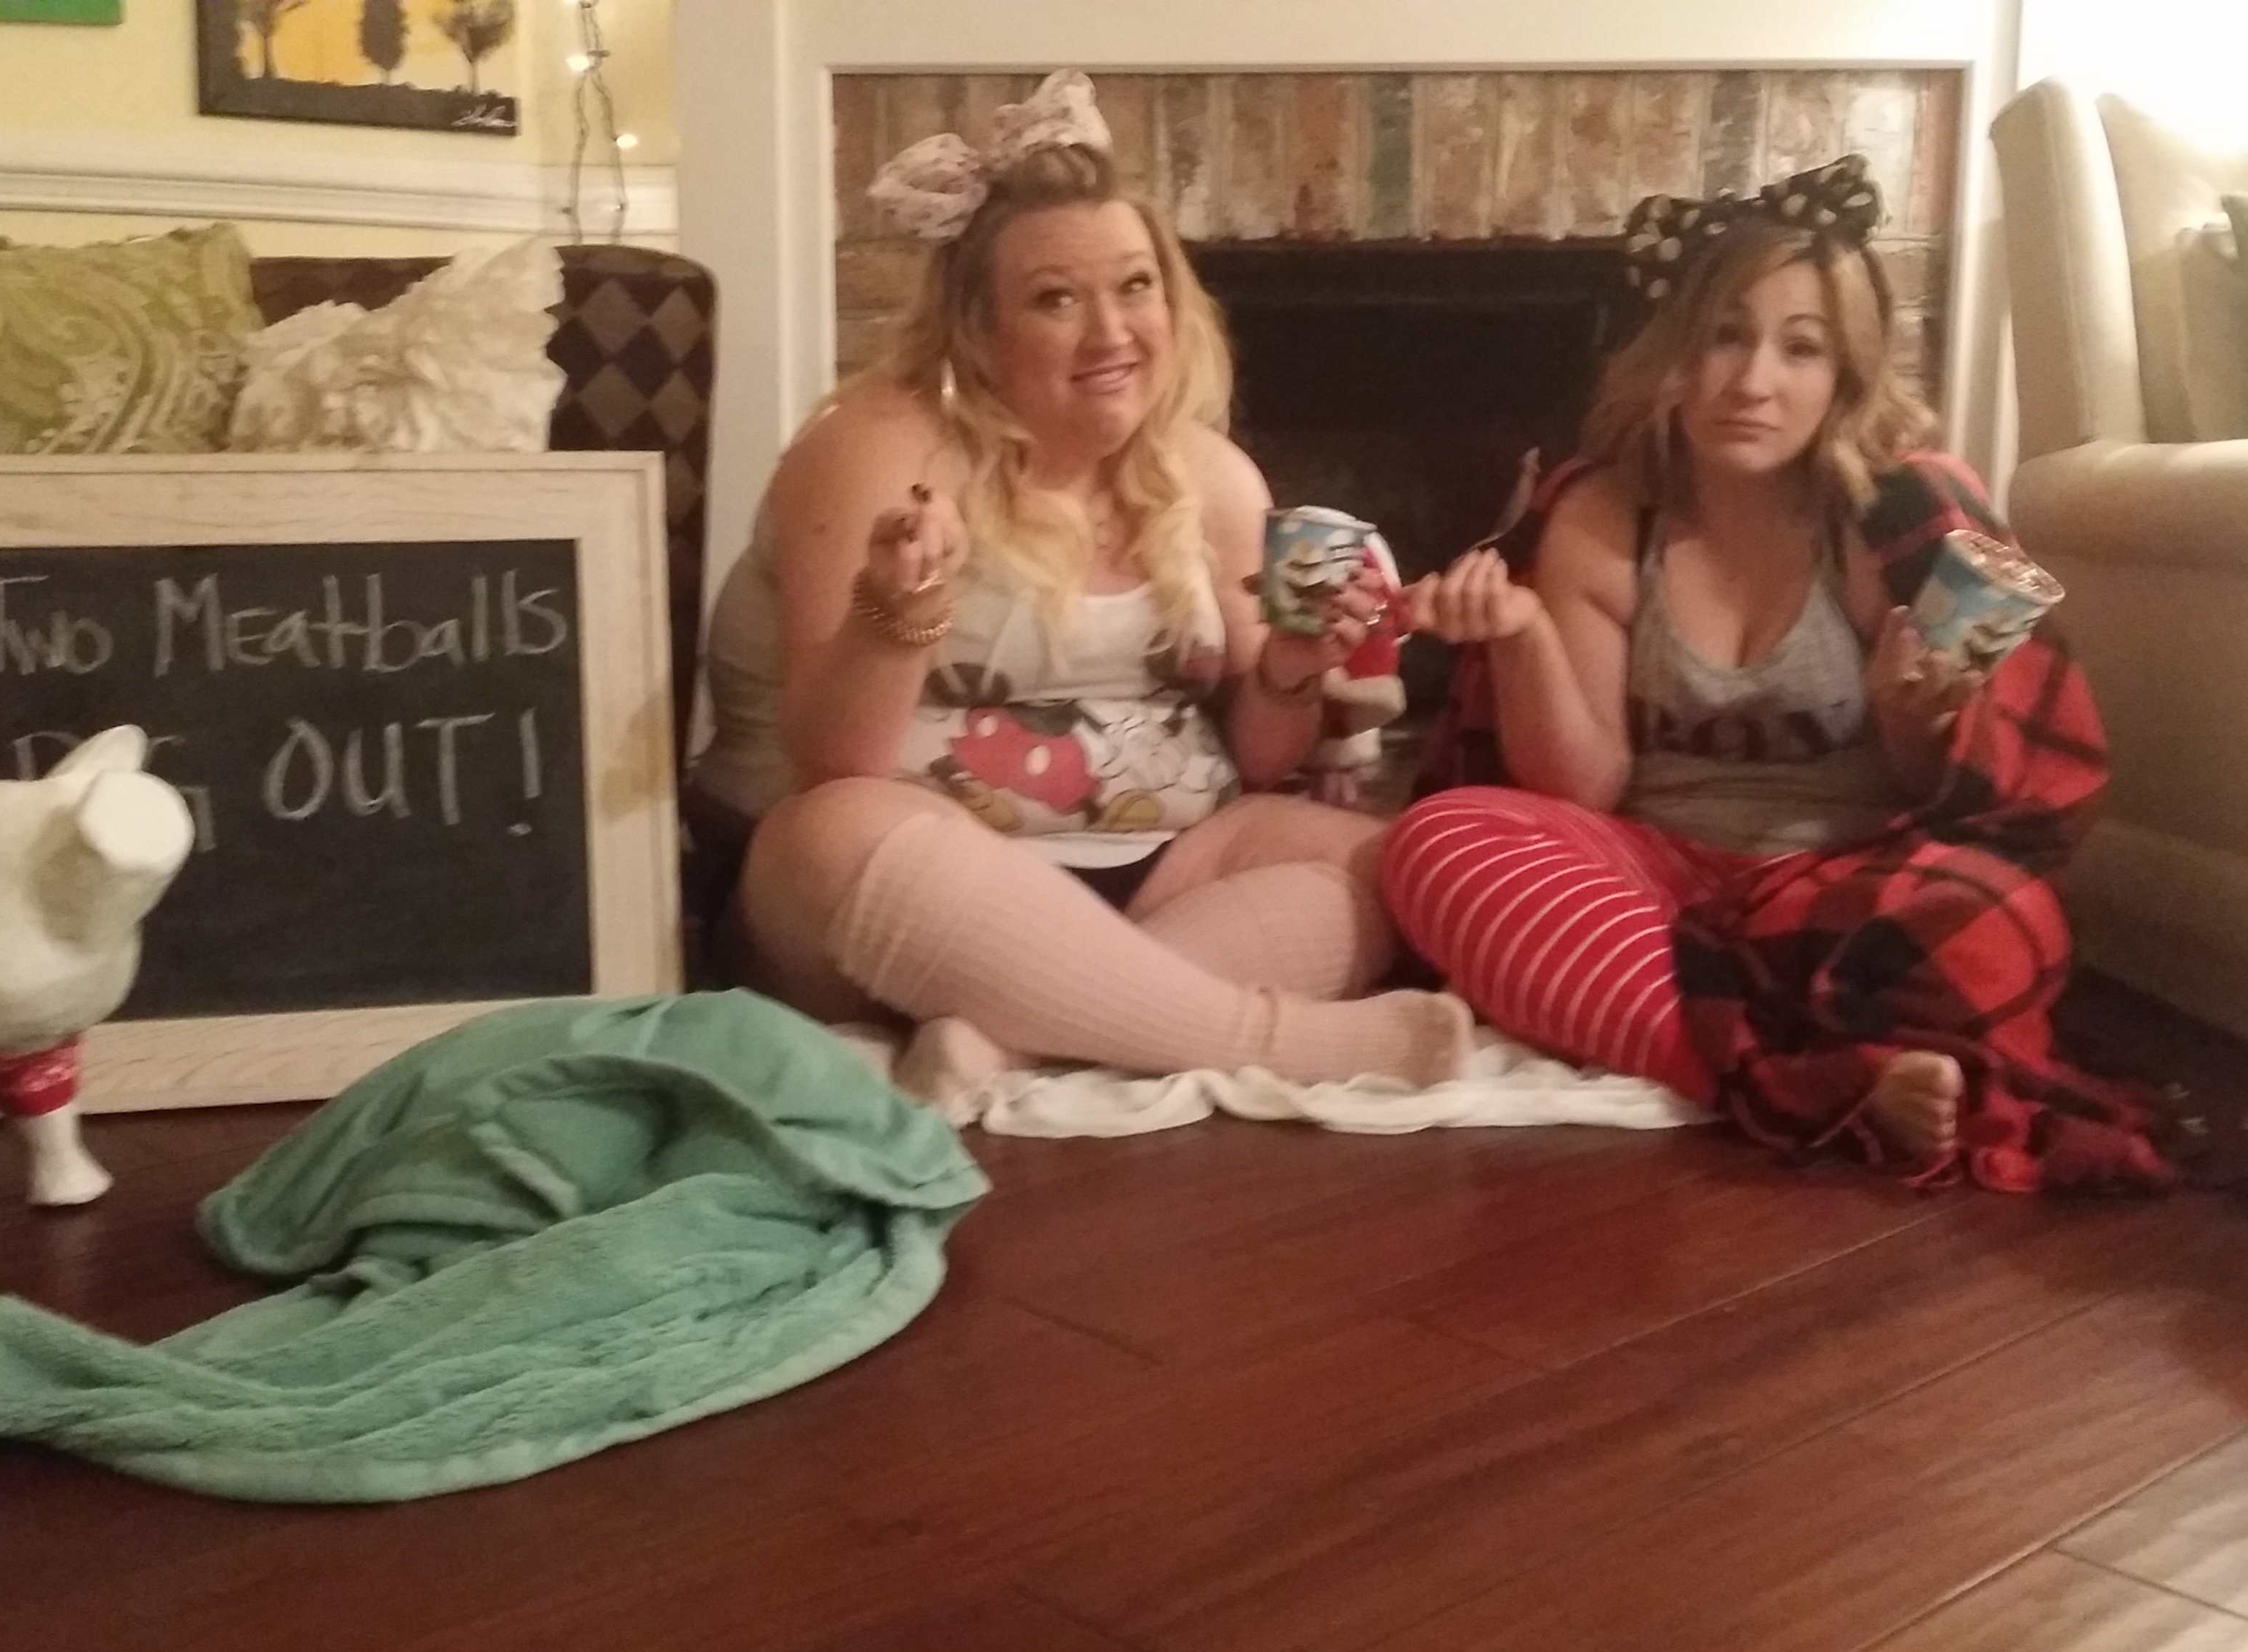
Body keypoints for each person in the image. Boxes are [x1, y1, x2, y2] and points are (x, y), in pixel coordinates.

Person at [1385, 157, 2168, 1190]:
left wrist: (1911, 719)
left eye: (1801, 348)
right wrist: (1523, 634)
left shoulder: (1897, 514)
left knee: (2002, 918)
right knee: (1440, 842)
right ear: (1673, 353)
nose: (1753, 381)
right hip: (1651, 876)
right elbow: (1585, 789)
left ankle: (1650, 1013)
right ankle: (1796, 1076)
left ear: (1846, 373)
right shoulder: (1602, 514)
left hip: (1846, 883)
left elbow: (1967, 796)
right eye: (1725, 336)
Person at [689, 70, 1472, 1099]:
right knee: (827, 833)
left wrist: (1290, 665)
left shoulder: (1212, 477)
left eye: (1135, 286)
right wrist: (900, 616)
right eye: (1056, 298)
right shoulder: (878, 447)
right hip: (916, 883)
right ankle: (1274, 1041)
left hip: (1165, 869)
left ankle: (1013, 1042)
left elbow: (1258, 760)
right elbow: (837, 761)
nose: (1112, 333)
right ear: (979, 328)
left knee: (1390, 861)